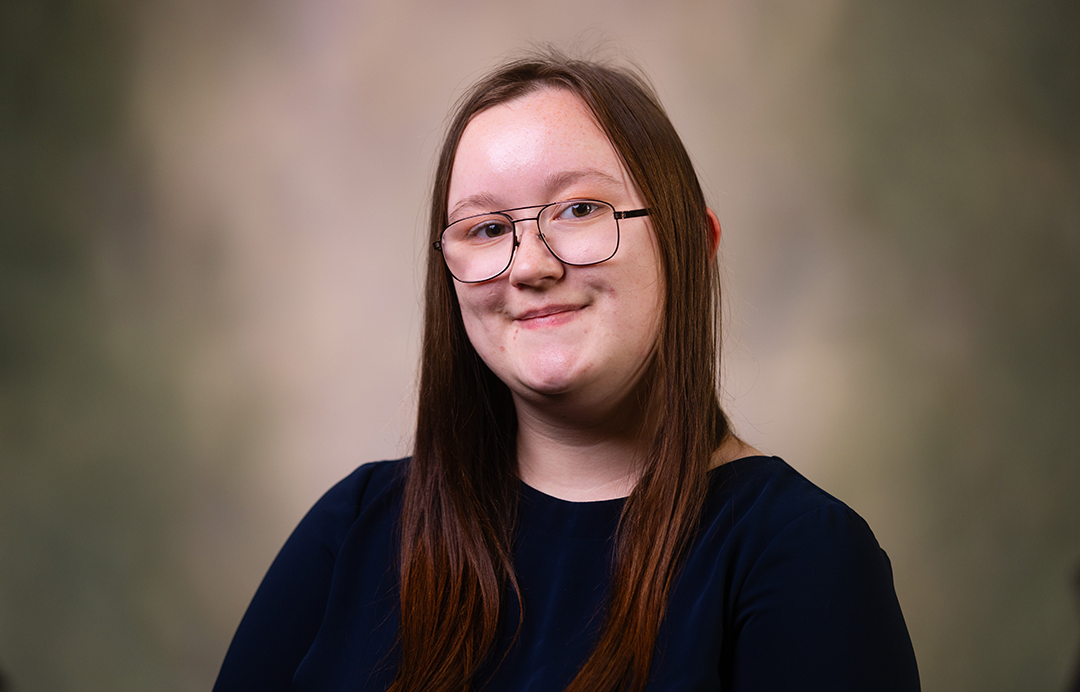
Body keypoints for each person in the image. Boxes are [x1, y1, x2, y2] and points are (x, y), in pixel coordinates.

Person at [213, 52, 920, 692]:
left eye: (581, 209)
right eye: (487, 228)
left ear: (695, 245)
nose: (531, 266)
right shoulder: (356, 528)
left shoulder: (805, 557)